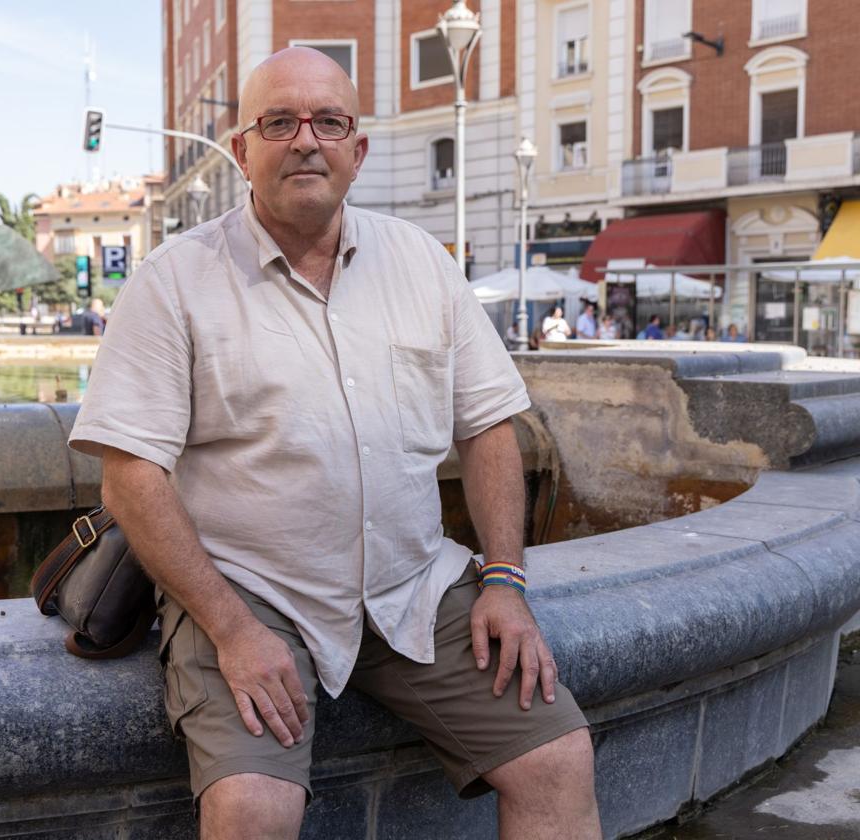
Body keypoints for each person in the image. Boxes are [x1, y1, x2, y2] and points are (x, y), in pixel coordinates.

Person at [69, 47, 598, 840]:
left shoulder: (422, 261)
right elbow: (131, 478)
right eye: (279, 121)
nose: (305, 139)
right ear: (243, 151)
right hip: (251, 593)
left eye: (329, 121)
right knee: (252, 808)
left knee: (559, 760)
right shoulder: (172, 280)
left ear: (359, 148)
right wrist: (232, 628)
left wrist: (505, 579)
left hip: (412, 583)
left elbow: (488, 424)